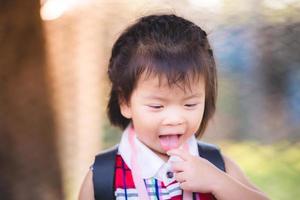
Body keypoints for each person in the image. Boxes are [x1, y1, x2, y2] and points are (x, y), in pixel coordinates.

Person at [79, 14, 269, 200]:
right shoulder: (104, 177)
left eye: (190, 104)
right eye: (157, 106)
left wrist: (219, 183)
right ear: (125, 102)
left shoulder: (217, 166)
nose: (175, 119)